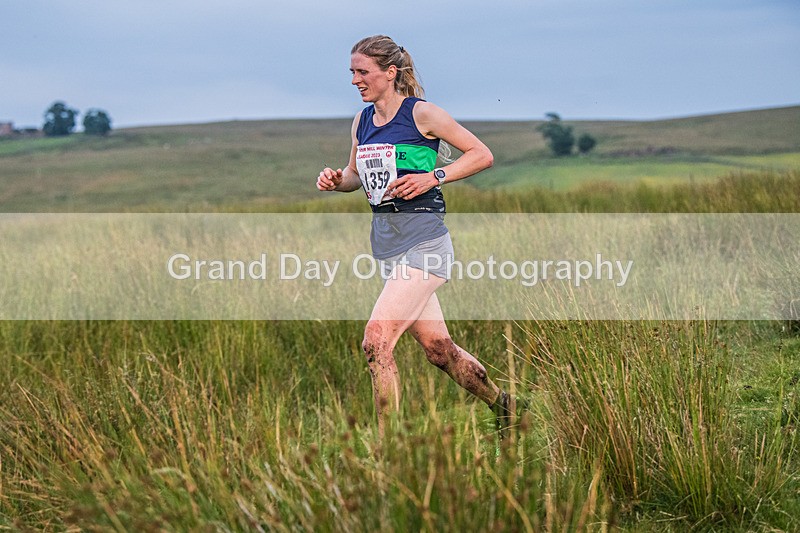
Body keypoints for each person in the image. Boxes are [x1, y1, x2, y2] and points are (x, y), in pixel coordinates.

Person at [316, 35, 519, 437]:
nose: (355, 80)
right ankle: (506, 407)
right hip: (389, 248)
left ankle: (390, 452)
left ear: (390, 73)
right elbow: (356, 176)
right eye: (352, 73)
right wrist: (337, 179)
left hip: (425, 243)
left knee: (376, 342)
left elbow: (481, 153)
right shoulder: (362, 122)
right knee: (439, 351)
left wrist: (434, 176)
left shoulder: (422, 114)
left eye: (363, 72)